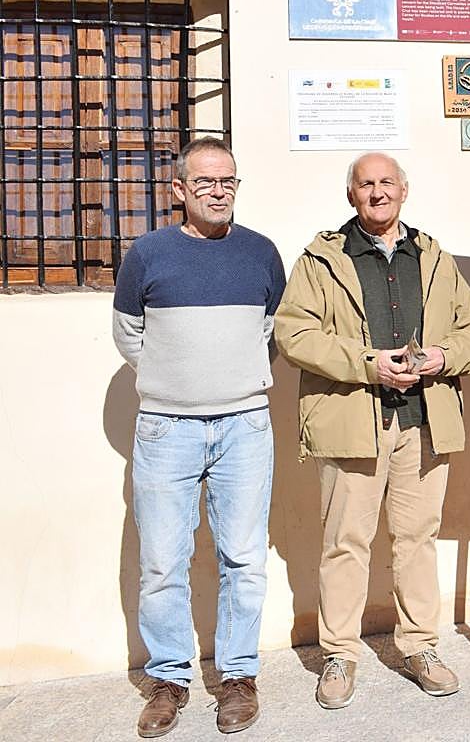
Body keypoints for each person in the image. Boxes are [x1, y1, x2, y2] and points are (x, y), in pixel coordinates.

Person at [274, 152, 470, 708]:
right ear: (351, 195)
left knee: (418, 540)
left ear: (404, 190)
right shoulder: (322, 259)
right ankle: (339, 655)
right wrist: (368, 363)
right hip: (352, 422)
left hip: (423, 421)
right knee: (346, 544)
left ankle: (420, 646)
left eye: (386, 182)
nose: (377, 191)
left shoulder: (435, 257)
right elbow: (295, 335)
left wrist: (441, 357)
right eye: (365, 184)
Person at [113, 137, 285, 737]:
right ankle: (168, 680)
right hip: (166, 428)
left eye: (228, 181)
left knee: (244, 557)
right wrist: (174, 382)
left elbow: (268, 330)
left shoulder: (262, 254)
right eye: (206, 182)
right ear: (180, 189)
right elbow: (128, 334)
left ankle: (237, 677)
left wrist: (226, 381)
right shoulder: (148, 254)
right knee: (162, 561)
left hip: (245, 425)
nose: (218, 191)